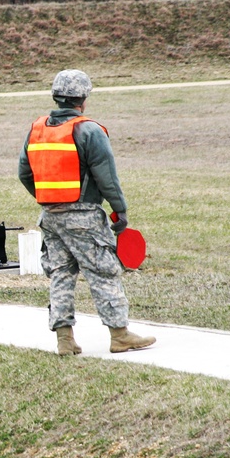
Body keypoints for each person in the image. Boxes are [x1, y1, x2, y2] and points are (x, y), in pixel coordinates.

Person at [18, 69, 155, 356]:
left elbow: (24, 174)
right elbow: (107, 178)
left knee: (60, 274)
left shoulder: (37, 128)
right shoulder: (89, 130)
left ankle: (64, 339)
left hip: (50, 217)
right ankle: (119, 335)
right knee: (104, 271)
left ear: (56, 96)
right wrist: (120, 210)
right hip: (84, 216)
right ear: (83, 98)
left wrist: (47, 198)